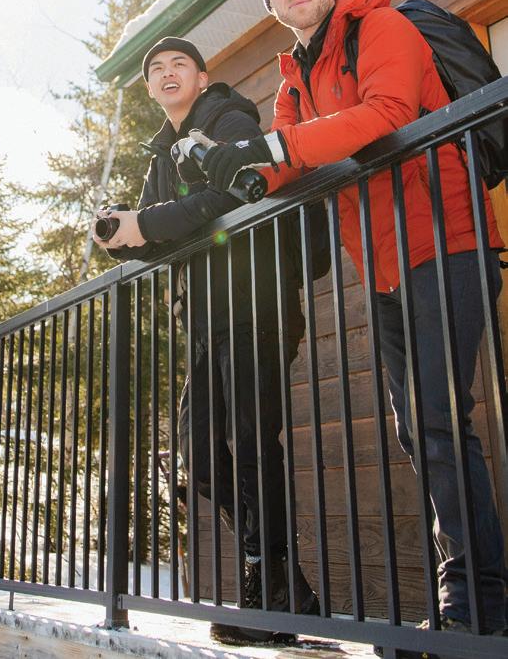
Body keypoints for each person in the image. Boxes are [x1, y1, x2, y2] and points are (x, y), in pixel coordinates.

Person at [199, 0, 507, 648]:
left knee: (436, 420)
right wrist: (232, 166)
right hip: (384, 265)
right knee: (419, 428)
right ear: (274, 6)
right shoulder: (293, 84)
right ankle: (470, 599)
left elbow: (388, 111)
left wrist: (275, 149)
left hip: (448, 239)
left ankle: (474, 606)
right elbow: (282, 161)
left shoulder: (382, 26)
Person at [93, 35, 321, 645]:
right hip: (205, 320)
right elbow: (154, 235)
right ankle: (287, 584)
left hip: (256, 303)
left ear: (200, 76)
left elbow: (229, 193)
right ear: (149, 88)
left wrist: (149, 222)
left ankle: (268, 591)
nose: (168, 73)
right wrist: (121, 233)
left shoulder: (228, 117)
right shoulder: (160, 157)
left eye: (180, 65)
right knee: (198, 455)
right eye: (157, 69)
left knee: (251, 442)